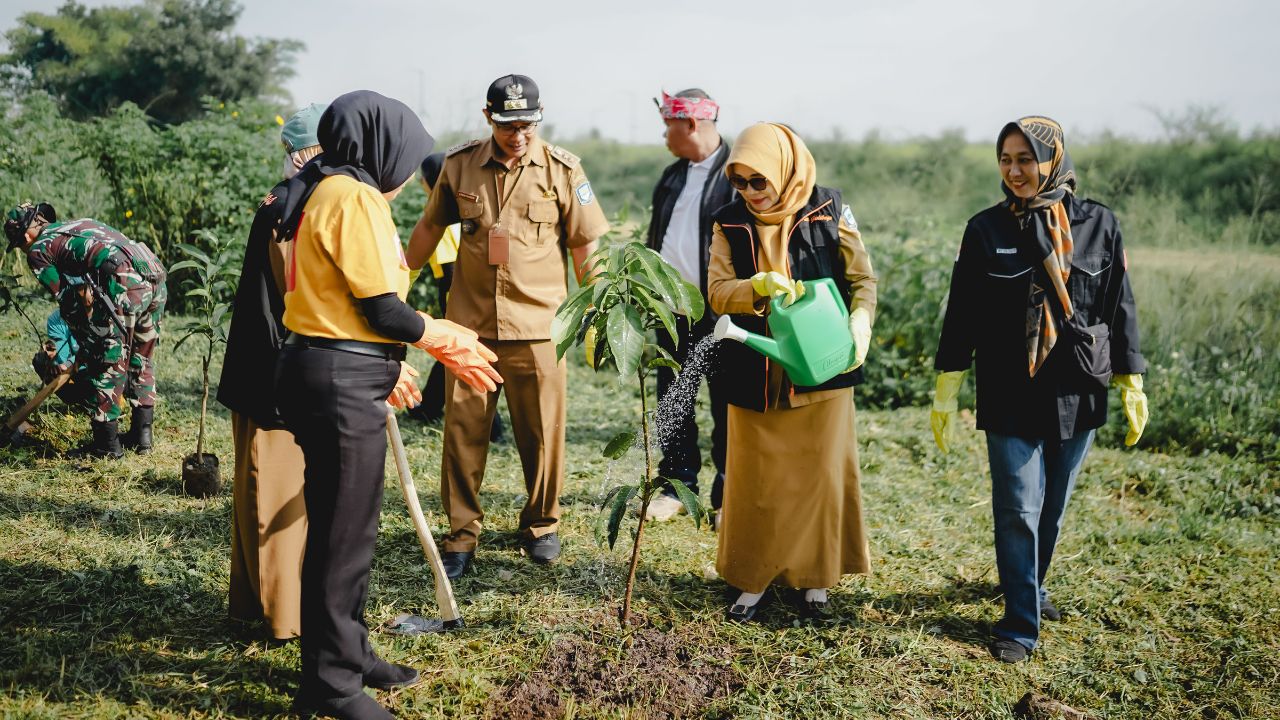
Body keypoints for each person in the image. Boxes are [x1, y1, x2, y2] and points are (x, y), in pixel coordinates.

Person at [274, 90, 502, 720]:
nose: (408, 171)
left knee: (344, 527)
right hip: (337, 377)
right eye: (406, 156)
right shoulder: (354, 197)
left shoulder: (325, 187)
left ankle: (348, 650)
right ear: (381, 147)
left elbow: (351, 302)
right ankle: (332, 687)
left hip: (326, 367)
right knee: (344, 537)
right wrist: (442, 337)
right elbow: (383, 309)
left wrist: (395, 359)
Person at [931, 116, 1149, 663]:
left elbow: (1119, 303)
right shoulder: (986, 229)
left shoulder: (1099, 223)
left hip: (1081, 384)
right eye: (1005, 160)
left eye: (1025, 159)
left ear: (1052, 159)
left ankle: (1029, 583)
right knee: (1019, 508)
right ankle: (1020, 623)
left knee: (1051, 508)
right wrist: (947, 381)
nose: (1014, 171)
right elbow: (963, 312)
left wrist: (1132, 376)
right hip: (1010, 389)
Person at [407, 74, 610, 578]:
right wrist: (395, 285)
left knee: (542, 434)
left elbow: (585, 244)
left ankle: (541, 524)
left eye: (526, 124)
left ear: (537, 120)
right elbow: (431, 227)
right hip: (470, 329)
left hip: (541, 328)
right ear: (488, 118)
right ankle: (460, 535)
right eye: (507, 124)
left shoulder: (564, 170)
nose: (517, 134)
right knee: (462, 434)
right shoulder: (459, 167)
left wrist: (597, 309)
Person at [706, 122, 877, 622]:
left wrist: (860, 321)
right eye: (738, 182)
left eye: (758, 181)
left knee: (820, 478)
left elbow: (861, 278)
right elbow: (717, 290)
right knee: (756, 482)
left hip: (822, 368)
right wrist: (753, 287)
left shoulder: (830, 209)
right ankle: (752, 578)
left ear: (786, 169)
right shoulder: (728, 222)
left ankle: (815, 580)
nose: (750, 193)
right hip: (755, 368)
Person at [219, 102, 324, 641]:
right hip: (274, 372)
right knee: (274, 493)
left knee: (259, 490)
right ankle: (282, 618)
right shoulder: (295, 206)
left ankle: (250, 605)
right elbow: (296, 297)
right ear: (313, 154)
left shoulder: (285, 198)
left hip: (262, 367)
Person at [4, 202, 166, 458]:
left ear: (25, 236)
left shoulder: (37, 250)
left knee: (107, 361)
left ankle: (106, 447)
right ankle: (141, 436)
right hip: (152, 271)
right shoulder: (80, 224)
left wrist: (87, 344)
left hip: (124, 281)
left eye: (20, 245)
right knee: (141, 357)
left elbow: (68, 300)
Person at [643, 89, 734, 523]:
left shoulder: (735, 175)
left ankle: (726, 493)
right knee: (673, 400)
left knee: (726, 403)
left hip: (721, 315)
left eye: (669, 126)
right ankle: (677, 485)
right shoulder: (672, 175)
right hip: (672, 311)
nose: (665, 136)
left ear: (691, 125)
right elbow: (655, 234)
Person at [407, 152, 507, 443]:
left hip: (457, 297)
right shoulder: (463, 208)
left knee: (460, 354)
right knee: (449, 356)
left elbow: (450, 271)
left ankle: (493, 427)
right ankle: (427, 408)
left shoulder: (442, 218)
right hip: (469, 295)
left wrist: (454, 308)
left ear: (430, 182)